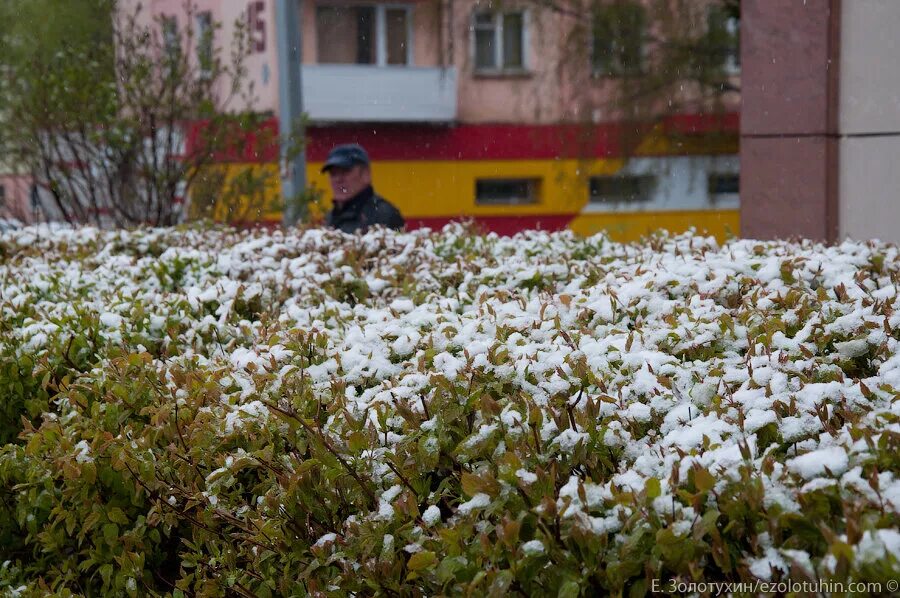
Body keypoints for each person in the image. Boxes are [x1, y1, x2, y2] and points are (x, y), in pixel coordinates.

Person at [322, 143, 404, 234]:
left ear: (366, 174)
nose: (338, 179)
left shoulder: (383, 214)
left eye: (345, 172)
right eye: (333, 174)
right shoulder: (331, 216)